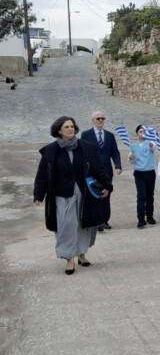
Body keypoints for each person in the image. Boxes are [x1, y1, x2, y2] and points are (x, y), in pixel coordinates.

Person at [33, 116, 112, 275]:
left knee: (83, 224)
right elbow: (42, 175)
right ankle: (69, 257)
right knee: (66, 225)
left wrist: (107, 186)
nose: (71, 129)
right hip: (61, 194)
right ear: (59, 131)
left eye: (72, 126)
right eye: (66, 127)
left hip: (83, 193)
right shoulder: (51, 151)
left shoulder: (87, 148)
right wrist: (38, 194)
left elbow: (99, 169)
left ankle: (81, 254)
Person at [80, 110, 122, 231]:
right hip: (92, 172)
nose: (100, 120)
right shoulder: (86, 135)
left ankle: (104, 220)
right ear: (92, 120)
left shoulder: (109, 135)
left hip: (106, 171)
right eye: (98, 118)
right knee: (94, 195)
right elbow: (82, 153)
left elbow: (115, 152)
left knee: (106, 194)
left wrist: (118, 166)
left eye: (102, 118)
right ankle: (96, 220)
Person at [128, 125, 157, 229]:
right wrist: (131, 158)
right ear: (137, 134)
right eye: (140, 132)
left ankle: (149, 216)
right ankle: (141, 218)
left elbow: (153, 147)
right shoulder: (134, 146)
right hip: (139, 173)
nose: (142, 134)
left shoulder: (150, 143)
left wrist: (150, 143)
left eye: (144, 132)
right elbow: (130, 160)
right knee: (141, 195)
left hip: (149, 172)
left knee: (150, 195)